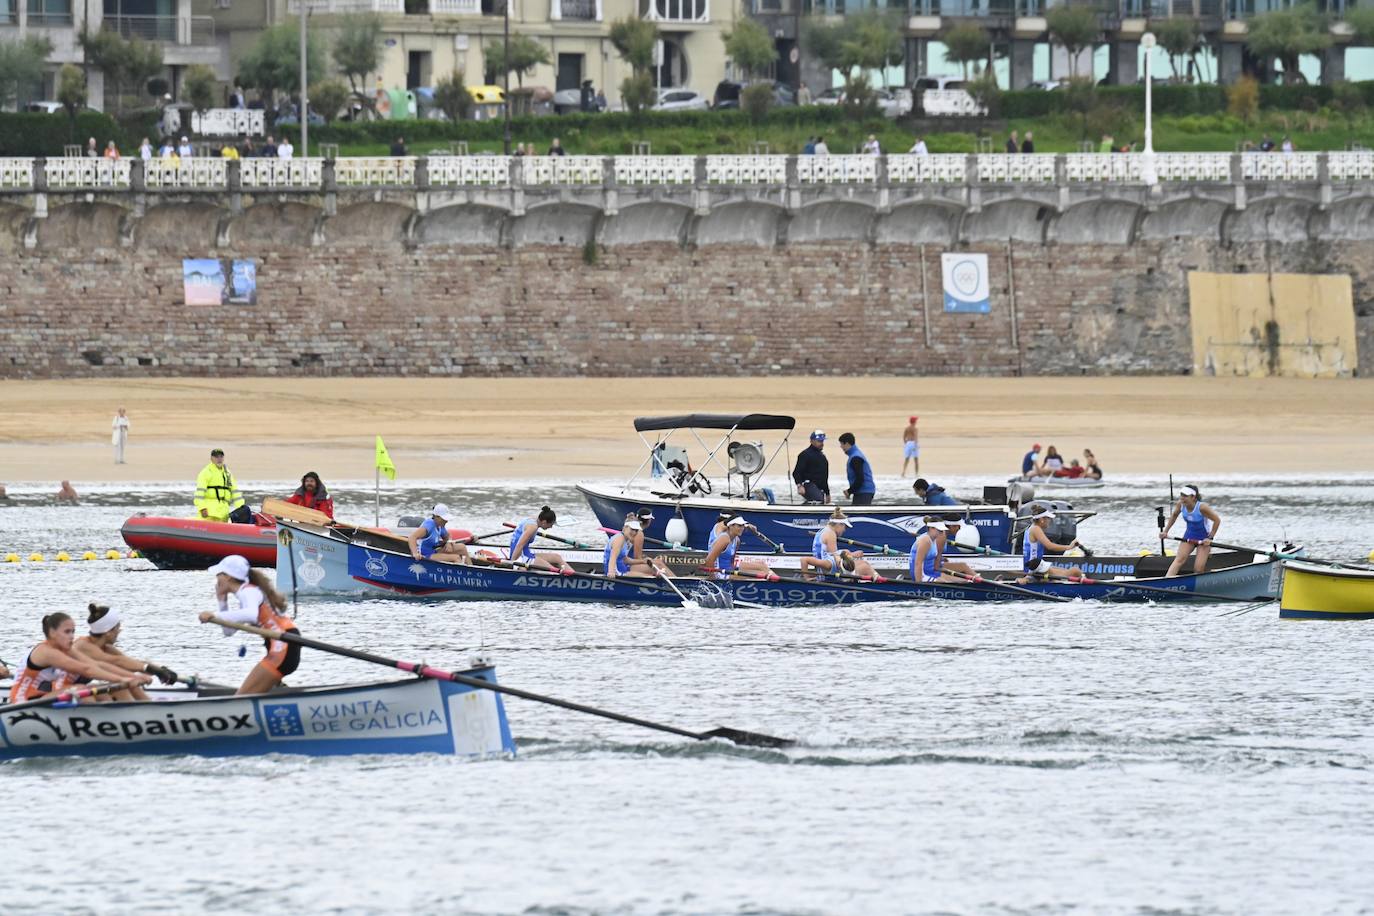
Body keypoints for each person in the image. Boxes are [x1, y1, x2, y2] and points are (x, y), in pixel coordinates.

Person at [198, 555, 300, 695]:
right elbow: (228, 631)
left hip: (284, 643)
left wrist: (215, 615)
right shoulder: (246, 595)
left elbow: (250, 614)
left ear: (228, 576)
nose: (216, 579)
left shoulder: (249, 591)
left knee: (241, 698)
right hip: (280, 643)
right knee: (249, 695)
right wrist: (222, 601)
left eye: (219, 574)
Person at [8, 612, 151, 704]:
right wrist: (121, 679)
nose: (71, 636)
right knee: (81, 690)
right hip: (24, 701)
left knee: (108, 689)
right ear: (52, 632)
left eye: (73, 631)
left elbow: (96, 665)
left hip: (45, 697)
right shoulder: (46, 652)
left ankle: (131, 717)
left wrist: (131, 677)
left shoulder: (66, 648)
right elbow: (86, 669)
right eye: (67, 632)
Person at [74, 604, 178, 702]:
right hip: (64, 690)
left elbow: (131, 663)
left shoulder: (106, 648)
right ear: (108, 632)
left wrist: (162, 670)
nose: (119, 631)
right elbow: (117, 661)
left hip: (76, 690)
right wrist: (155, 670)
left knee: (129, 684)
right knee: (116, 688)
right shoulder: (84, 646)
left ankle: (150, 710)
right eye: (117, 628)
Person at [1162, 485, 1220, 577]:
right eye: (1181, 495)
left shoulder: (1202, 507)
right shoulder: (1180, 504)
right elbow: (1174, 516)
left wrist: (1210, 538)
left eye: (1185, 496)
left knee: (1198, 569)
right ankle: (1165, 581)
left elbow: (1217, 520)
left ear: (1193, 497)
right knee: (1179, 560)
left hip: (1204, 538)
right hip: (1189, 535)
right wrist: (1165, 532)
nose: (1182, 498)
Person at [801, 510, 877, 580]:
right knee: (865, 566)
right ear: (839, 524)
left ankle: (879, 580)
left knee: (861, 562)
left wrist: (850, 554)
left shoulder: (823, 531)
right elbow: (836, 558)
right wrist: (807, 579)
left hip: (827, 569)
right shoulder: (831, 534)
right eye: (845, 527)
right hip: (830, 576)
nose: (844, 530)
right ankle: (881, 583)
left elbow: (835, 555)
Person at [1018, 510, 1085, 583]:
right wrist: (1069, 547)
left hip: (1034, 565)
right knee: (1075, 571)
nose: (1050, 521)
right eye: (1048, 518)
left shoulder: (1030, 527)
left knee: (1070, 571)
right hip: (1035, 568)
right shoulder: (1036, 529)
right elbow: (1049, 546)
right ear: (1041, 520)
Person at [908, 519, 978, 584]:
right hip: (922, 575)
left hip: (931, 571)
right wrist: (918, 585)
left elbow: (934, 560)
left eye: (942, 531)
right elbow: (918, 563)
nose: (941, 533)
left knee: (966, 581)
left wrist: (941, 560)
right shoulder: (925, 541)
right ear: (931, 528)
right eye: (940, 530)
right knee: (955, 582)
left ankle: (981, 583)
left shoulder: (933, 539)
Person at [703, 516, 773, 580]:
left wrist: (738, 571)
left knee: (761, 565)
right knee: (762, 574)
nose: (742, 529)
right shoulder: (724, 539)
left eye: (743, 526)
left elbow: (732, 562)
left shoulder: (737, 540)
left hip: (729, 569)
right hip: (719, 574)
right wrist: (713, 577)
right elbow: (709, 560)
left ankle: (779, 583)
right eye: (739, 526)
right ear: (731, 526)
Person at [508, 506, 574, 572]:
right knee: (553, 571)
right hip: (520, 557)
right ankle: (570, 578)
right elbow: (519, 545)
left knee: (557, 557)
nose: (551, 527)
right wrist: (513, 562)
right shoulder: (532, 527)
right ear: (544, 522)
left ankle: (574, 575)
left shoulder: (534, 519)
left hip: (525, 553)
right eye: (551, 524)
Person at [603, 517, 669, 579]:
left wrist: (643, 561)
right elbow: (613, 557)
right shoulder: (619, 539)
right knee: (649, 577)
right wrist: (611, 572)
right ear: (625, 528)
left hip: (624, 568)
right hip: (617, 573)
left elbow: (625, 560)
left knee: (655, 568)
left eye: (636, 530)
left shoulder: (625, 539)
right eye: (632, 529)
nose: (634, 533)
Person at [195, 448, 247, 523]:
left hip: (223, 514)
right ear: (211, 458)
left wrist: (241, 507)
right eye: (216, 457)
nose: (219, 459)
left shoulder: (227, 473)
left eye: (221, 457)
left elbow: (235, 492)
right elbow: (199, 494)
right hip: (209, 513)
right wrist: (202, 508)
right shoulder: (206, 472)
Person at [792, 429, 830, 504]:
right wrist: (799, 485)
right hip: (808, 485)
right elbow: (796, 472)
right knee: (818, 501)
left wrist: (827, 493)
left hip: (819, 487)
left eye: (822, 441)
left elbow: (824, 478)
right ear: (812, 441)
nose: (821, 443)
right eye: (819, 441)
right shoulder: (805, 455)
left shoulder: (822, 457)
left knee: (821, 502)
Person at [838, 432, 876, 506]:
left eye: (842, 444)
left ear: (847, 444)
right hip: (862, 491)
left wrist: (849, 491)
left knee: (860, 516)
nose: (841, 447)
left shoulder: (856, 458)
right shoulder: (855, 454)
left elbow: (860, 478)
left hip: (864, 492)